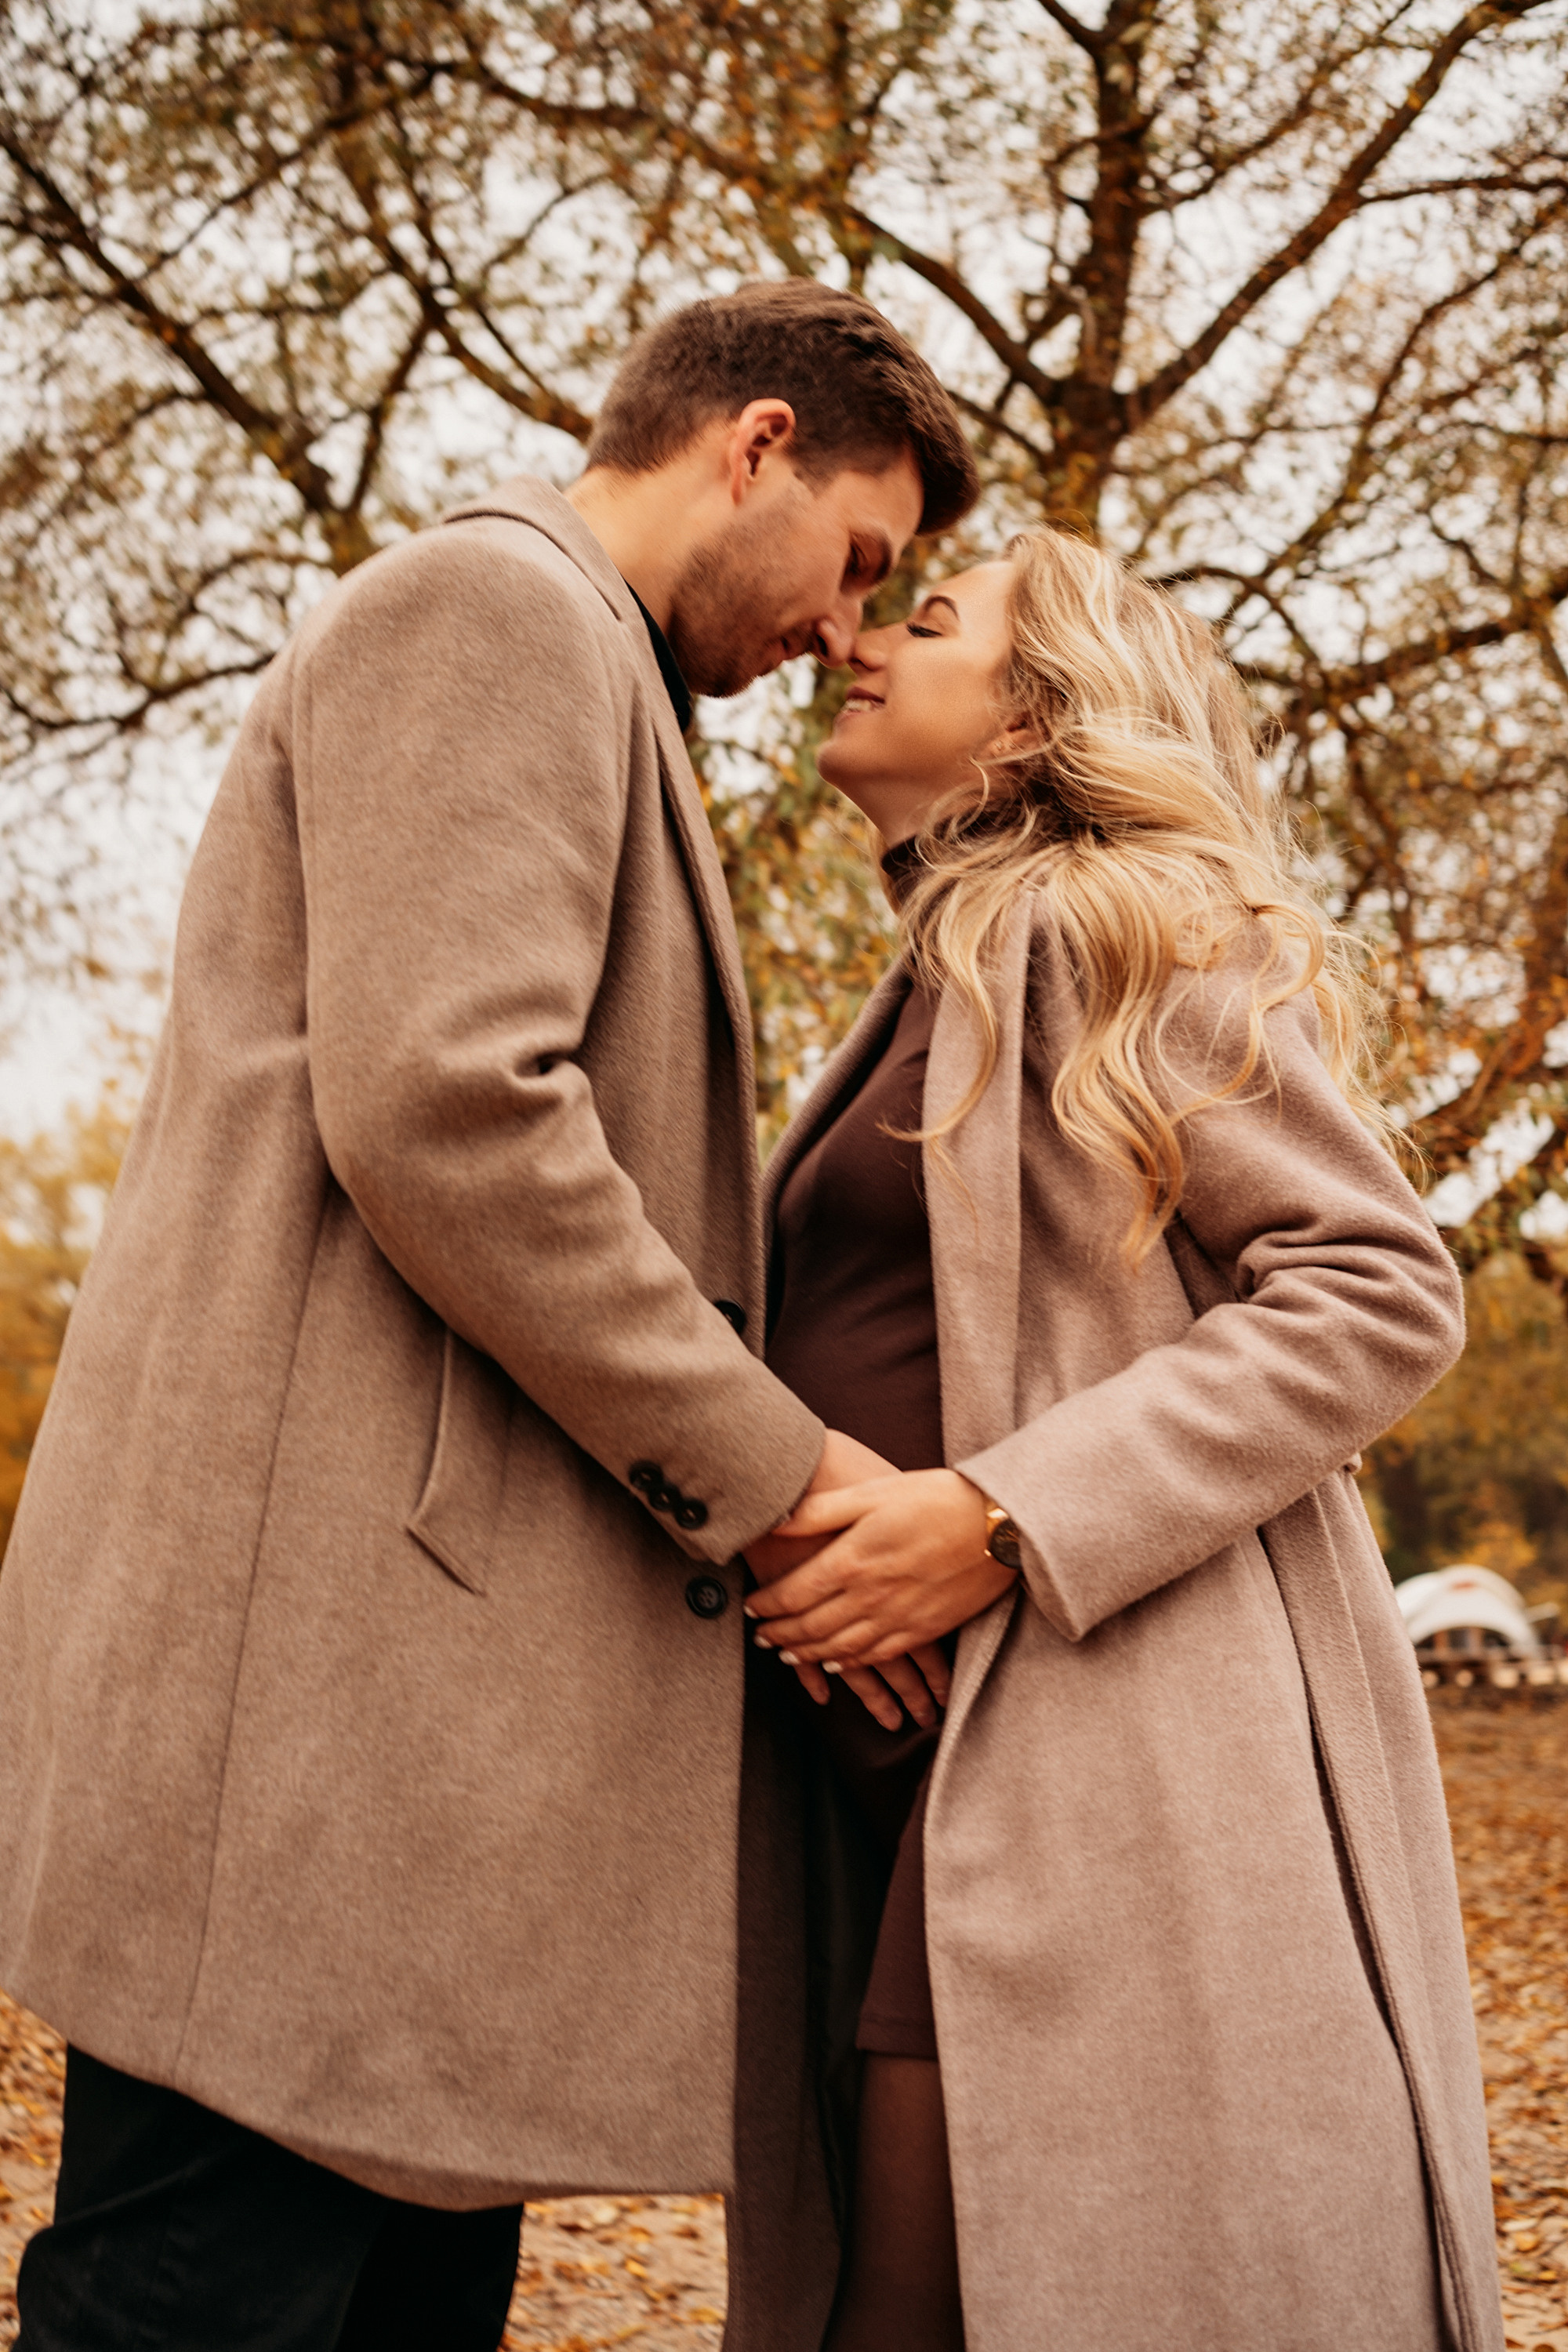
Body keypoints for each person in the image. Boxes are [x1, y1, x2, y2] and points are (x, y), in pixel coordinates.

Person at [0, 281, 978, 2352]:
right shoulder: (497, 611)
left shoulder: (584, 659)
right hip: (315, 1725)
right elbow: (454, 1110)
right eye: (857, 558)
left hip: (400, 1735)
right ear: (757, 445)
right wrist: (780, 1476)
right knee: (197, 2305)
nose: (844, 627)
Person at [743, 532, 1504, 2352]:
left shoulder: (1113, 922)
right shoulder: (932, 974)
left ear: (1030, 722)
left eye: (928, 622)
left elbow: (1377, 1287)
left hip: (1094, 1752)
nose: (860, 642)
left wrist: (1001, 1516)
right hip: (912, 1774)